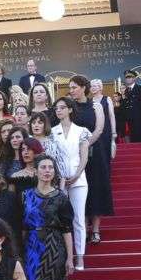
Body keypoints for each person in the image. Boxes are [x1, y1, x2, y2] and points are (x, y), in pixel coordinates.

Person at [52, 96, 90, 270]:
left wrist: (76, 175)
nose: (58, 110)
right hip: (59, 180)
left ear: (70, 109)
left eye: (61, 107)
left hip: (79, 179)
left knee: (79, 218)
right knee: (61, 219)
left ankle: (80, 257)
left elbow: (84, 156)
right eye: (56, 108)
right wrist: (61, 178)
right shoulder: (52, 132)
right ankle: (66, 256)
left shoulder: (81, 130)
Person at [87, 79, 116, 243]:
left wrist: (113, 135)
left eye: (97, 86)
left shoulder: (106, 100)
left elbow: (111, 116)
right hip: (92, 135)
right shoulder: (89, 102)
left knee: (104, 159)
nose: (94, 88)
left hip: (104, 133)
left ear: (101, 87)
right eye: (92, 86)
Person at [29, 112, 70, 187]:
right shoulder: (26, 143)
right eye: (33, 123)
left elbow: (61, 170)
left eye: (40, 122)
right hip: (29, 184)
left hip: (51, 185)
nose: (36, 125)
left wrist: (61, 190)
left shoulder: (53, 144)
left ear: (45, 125)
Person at [120, 69, 141, 142]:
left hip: (138, 116)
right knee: (132, 136)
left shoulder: (140, 88)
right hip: (129, 117)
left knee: (140, 135)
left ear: (134, 78)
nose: (128, 79)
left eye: (130, 77)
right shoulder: (126, 90)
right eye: (126, 78)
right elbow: (124, 105)